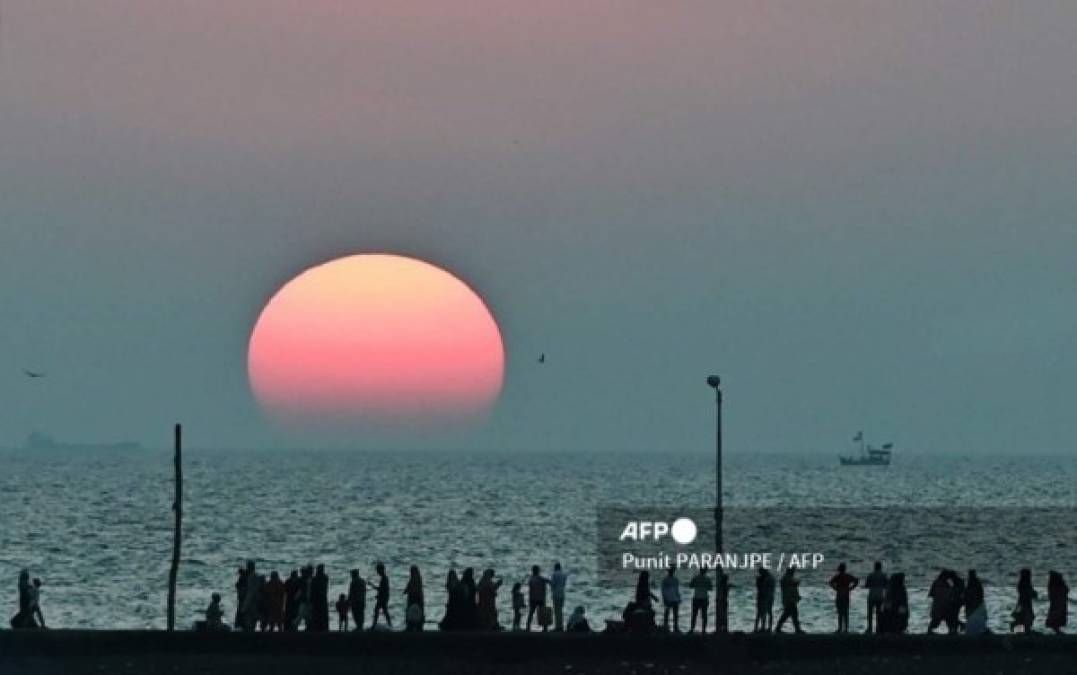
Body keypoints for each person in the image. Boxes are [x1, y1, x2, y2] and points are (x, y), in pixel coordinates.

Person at [828, 563, 859, 633]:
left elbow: (830, 582)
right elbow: (856, 581)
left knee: (840, 612)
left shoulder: (837, 576)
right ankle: (846, 629)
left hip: (839, 594)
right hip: (846, 594)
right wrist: (851, 588)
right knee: (846, 612)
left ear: (839, 569)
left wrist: (835, 588)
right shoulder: (848, 576)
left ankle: (840, 628)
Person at [775, 566, 803, 634]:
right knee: (789, 615)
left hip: (789, 600)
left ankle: (797, 629)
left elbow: (793, 585)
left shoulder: (786, 579)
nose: (793, 573)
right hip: (789, 600)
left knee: (790, 615)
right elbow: (793, 585)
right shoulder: (787, 579)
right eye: (792, 571)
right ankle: (797, 629)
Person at [1010, 568, 1037, 634]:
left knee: (1023, 618)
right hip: (1024, 604)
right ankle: (1021, 631)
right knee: (1025, 617)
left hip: (1024, 603)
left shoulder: (1023, 584)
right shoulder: (1024, 584)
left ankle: (1021, 631)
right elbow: (1028, 593)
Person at [864, 561, 888, 634]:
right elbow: (887, 585)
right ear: (881, 567)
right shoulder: (884, 575)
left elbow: (867, 585)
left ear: (874, 567)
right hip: (880, 595)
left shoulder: (871, 575)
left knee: (870, 613)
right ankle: (878, 628)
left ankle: (870, 628)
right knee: (879, 613)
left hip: (872, 595)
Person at [526, 565, 551, 632]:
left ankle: (528, 627)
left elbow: (530, 591)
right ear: (537, 571)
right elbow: (549, 582)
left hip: (533, 598)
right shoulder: (541, 578)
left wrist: (529, 600)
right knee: (543, 613)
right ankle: (545, 628)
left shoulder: (531, 579)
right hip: (540, 598)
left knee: (531, 613)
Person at [688, 568, 712, 633]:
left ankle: (692, 629)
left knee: (694, 615)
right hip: (704, 598)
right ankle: (703, 630)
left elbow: (690, 586)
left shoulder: (695, 578)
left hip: (696, 597)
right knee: (704, 615)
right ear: (705, 571)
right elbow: (710, 588)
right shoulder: (707, 579)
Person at [964, 570, 988, 635]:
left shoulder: (971, 584)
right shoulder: (977, 583)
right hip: (976, 606)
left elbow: (967, 596)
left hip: (973, 607)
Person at [661, 565, 681, 632]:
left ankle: (674, 627)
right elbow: (663, 590)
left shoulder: (672, 580)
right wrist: (664, 598)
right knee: (668, 614)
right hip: (670, 598)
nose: (672, 572)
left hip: (673, 598)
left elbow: (676, 590)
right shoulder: (668, 580)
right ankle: (668, 627)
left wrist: (678, 598)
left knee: (672, 614)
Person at [371, 562, 392, 629]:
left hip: (383, 598)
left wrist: (372, 585)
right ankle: (390, 624)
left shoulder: (384, 578)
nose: (377, 572)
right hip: (383, 597)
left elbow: (382, 589)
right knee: (384, 611)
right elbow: (384, 590)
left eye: (378, 570)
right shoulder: (384, 578)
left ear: (381, 570)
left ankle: (374, 626)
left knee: (377, 611)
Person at [754, 569, 775, 633]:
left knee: (760, 613)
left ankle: (759, 628)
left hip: (763, 597)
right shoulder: (771, 578)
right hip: (770, 596)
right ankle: (769, 628)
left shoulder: (763, 579)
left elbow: (760, 588)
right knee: (769, 612)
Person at [550, 562, 569, 631]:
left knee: (556, 611)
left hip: (556, 594)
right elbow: (563, 584)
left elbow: (553, 584)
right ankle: (561, 626)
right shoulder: (564, 575)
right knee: (560, 611)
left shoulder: (554, 574)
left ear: (555, 568)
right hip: (562, 594)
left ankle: (557, 627)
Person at [311, 564, 330, 632]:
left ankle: (318, 627)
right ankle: (323, 627)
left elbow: (313, 588)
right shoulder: (324, 577)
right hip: (321, 598)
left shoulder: (316, 578)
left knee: (318, 613)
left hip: (318, 598)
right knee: (322, 613)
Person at [714, 568, 731, 633]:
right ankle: (724, 627)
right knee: (724, 614)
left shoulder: (721, 585)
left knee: (722, 614)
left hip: (721, 600)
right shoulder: (725, 585)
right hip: (723, 600)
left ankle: (721, 628)